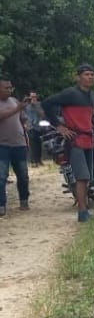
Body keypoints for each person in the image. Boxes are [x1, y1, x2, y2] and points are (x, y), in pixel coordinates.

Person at [41, 64, 94, 222]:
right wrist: (59, 126)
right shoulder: (70, 93)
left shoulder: (92, 95)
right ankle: (82, 212)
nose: (90, 77)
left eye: (92, 74)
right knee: (82, 176)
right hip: (75, 140)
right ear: (78, 77)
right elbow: (46, 103)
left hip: (88, 139)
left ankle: (84, 207)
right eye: (87, 74)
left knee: (87, 178)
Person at [0, 77, 30, 216]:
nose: (9, 90)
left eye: (10, 87)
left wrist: (23, 113)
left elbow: (21, 117)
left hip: (19, 143)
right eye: (6, 87)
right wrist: (17, 108)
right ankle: (1, 205)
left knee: (23, 175)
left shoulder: (14, 101)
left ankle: (24, 200)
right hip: (2, 145)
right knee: (1, 176)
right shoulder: (12, 104)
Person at [24, 91, 45, 166]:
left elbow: (42, 115)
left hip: (38, 127)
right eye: (31, 97)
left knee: (39, 144)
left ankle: (39, 160)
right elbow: (22, 115)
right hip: (30, 127)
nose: (33, 98)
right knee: (32, 144)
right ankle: (33, 161)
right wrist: (25, 124)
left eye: (34, 97)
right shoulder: (26, 105)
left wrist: (36, 106)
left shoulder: (39, 104)